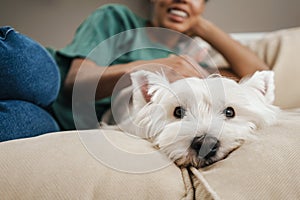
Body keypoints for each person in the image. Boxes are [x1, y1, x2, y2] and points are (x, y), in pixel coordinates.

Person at [0, 0, 268, 141]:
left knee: (18, 126)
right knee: (28, 67)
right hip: (49, 86)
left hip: (58, 127)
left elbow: (258, 77)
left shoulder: (194, 61)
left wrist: (201, 26)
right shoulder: (117, 18)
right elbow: (75, 82)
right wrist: (150, 67)